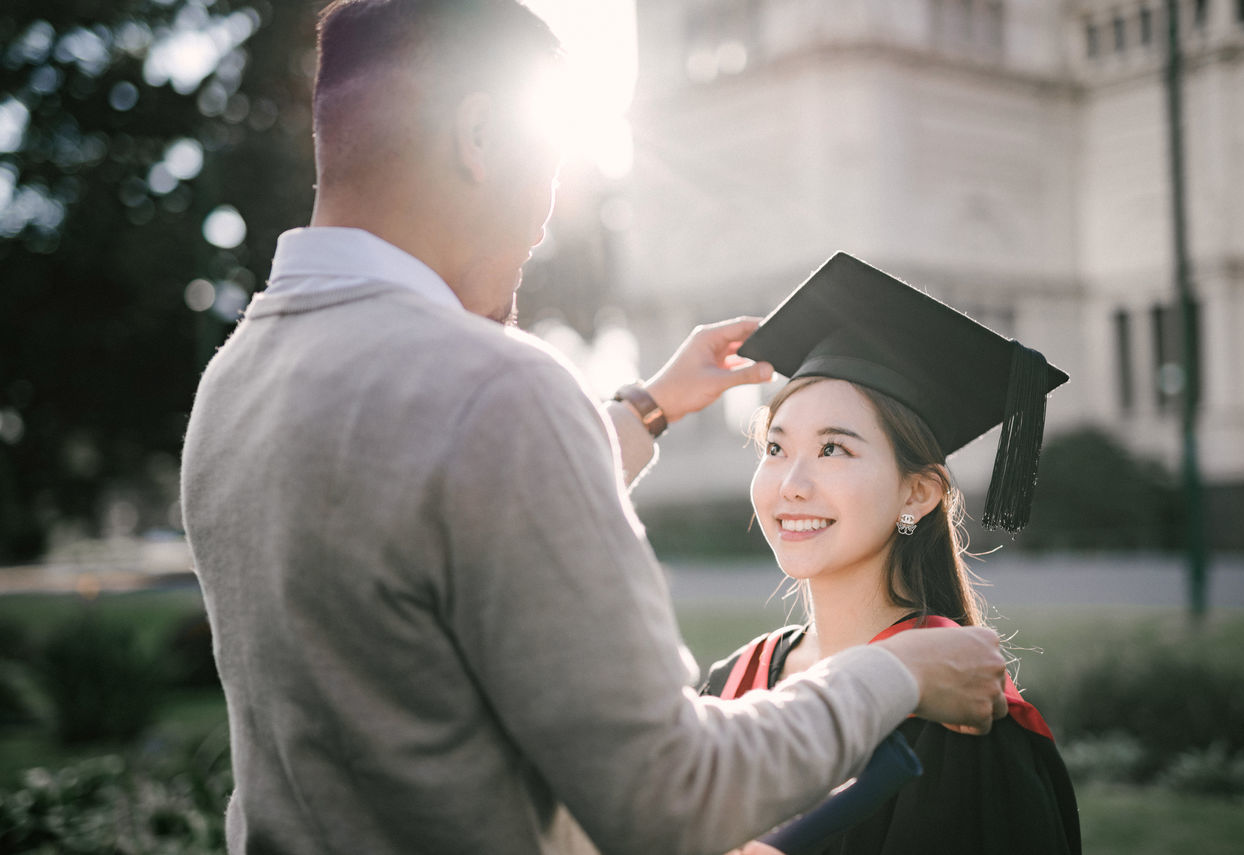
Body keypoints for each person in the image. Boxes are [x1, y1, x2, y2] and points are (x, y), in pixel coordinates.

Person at [180, 3, 1012, 854]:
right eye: (547, 172)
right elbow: (670, 795)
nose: (543, 229)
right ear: (481, 135)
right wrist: (895, 672)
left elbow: (421, 506)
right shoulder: (496, 387)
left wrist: (644, 411)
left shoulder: (236, 381)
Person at [701, 253, 1082, 854]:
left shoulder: (957, 715)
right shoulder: (736, 680)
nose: (791, 483)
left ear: (918, 492)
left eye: (834, 450)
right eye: (775, 447)